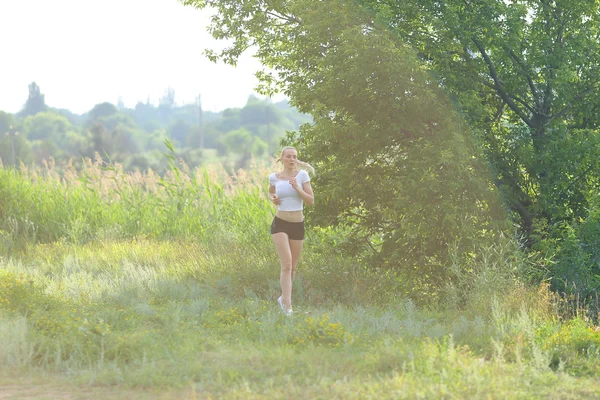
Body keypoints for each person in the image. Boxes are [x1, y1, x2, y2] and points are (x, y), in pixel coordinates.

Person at [268, 146, 315, 315]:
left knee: (293, 268)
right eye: (288, 156)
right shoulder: (274, 177)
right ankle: (288, 308)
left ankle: (283, 298)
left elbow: (310, 201)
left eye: (294, 156)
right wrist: (273, 198)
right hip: (280, 223)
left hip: (297, 224)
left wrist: (297, 188)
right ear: (282, 158)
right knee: (286, 265)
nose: (291, 159)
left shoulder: (302, 176)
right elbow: (271, 192)